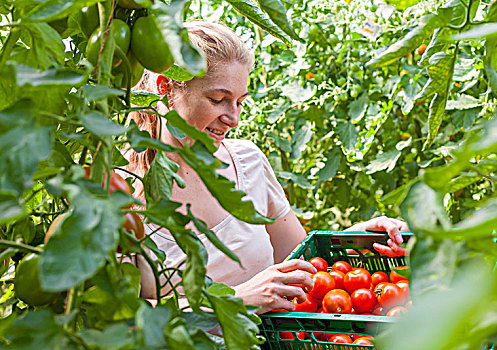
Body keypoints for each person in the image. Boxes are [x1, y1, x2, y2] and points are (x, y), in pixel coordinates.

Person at [125, 21, 408, 314]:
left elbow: (304, 263)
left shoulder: (247, 163)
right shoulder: (122, 189)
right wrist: (237, 300)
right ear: (165, 88)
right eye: (218, 100)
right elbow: (123, 316)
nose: (233, 119)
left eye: (239, 102)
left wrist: (358, 240)